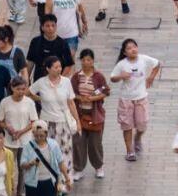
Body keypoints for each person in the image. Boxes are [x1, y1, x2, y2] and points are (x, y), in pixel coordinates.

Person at [110, 37, 161, 161]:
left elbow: (158, 64)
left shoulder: (143, 59)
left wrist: (151, 77)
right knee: (127, 126)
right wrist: (121, 76)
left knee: (142, 124)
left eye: (134, 47)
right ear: (124, 52)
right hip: (126, 99)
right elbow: (112, 78)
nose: (133, 49)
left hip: (141, 98)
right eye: (129, 48)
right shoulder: (122, 64)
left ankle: (137, 138)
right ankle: (130, 151)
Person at [30, 55, 80, 166]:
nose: (59, 69)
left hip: (63, 122)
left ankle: (65, 178)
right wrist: (40, 99)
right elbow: (29, 93)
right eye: (56, 67)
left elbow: (71, 103)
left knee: (65, 152)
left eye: (60, 67)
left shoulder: (66, 82)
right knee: (48, 152)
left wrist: (78, 121)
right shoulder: (41, 82)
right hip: (47, 123)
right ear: (48, 69)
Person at [70, 48, 109, 180]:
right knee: (78, 142)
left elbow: (105, 91)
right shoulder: (76, 77)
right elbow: (71, 93)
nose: (86, 62)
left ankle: (98, 166)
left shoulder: (98, 76)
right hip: (79, 114)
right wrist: (79, 98)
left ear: (93, 61)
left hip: (95, 114)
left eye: (89, 60)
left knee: (95, 143)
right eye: (84, 60)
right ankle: (78, 168)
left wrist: (92, 98)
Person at [0, 75, 38, 194]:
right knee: (8, 166)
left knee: (23, 167)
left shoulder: (29, 102)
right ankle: (9, 189)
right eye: (18, 89)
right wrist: (8, 128)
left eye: (23, 89)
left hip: (25, 139)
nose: (21, 92)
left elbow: (33, 121)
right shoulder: (5, 102)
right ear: (12, 88)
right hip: (9, 140)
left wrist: (20, 132)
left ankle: (22, 190)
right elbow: (0, 120)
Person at [26, 12, 74, 81]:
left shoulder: (63, 43)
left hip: (56, 82)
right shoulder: (35, 41)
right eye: (47, 26)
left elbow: (68, 65)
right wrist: (27, 79)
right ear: (42, 27)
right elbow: (30, 62)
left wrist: (59, 79)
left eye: (53, 25)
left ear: (56, 26)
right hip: (39, 81)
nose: (51, 28)